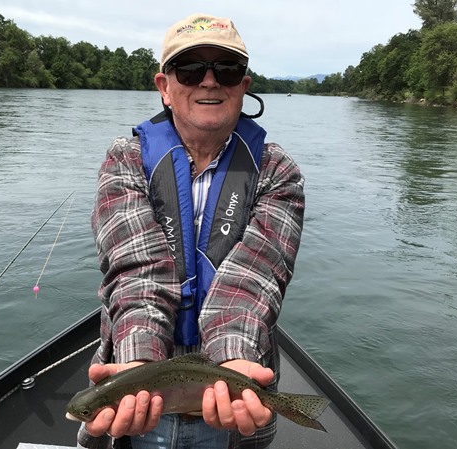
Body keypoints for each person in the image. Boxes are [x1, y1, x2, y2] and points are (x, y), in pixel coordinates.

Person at [78, 13, 305, 449]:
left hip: (232, 390)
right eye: (190, 69)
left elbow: (254, 280)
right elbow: (137, 272)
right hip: (140, 375)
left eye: (227, 69)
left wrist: (234, 358)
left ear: (244, 83)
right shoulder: (124, 160)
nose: (208, 81)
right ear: (164, 86)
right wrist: (139, 362)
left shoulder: (278, 172)